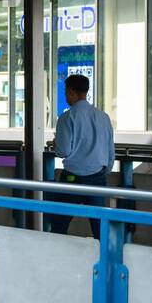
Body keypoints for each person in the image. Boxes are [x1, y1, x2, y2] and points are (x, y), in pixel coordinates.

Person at [46, 73, 115, 239]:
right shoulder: (103, 117)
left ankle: (55, 260)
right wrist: (102, 173)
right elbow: (110, 152)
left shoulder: (66, 117)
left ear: (71, 91)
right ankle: (104, 262)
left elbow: (63, 151)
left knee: (59, 226)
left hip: (72, 179)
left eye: (65, 91)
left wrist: (56, 144)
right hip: (98, 177)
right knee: (100, 229)